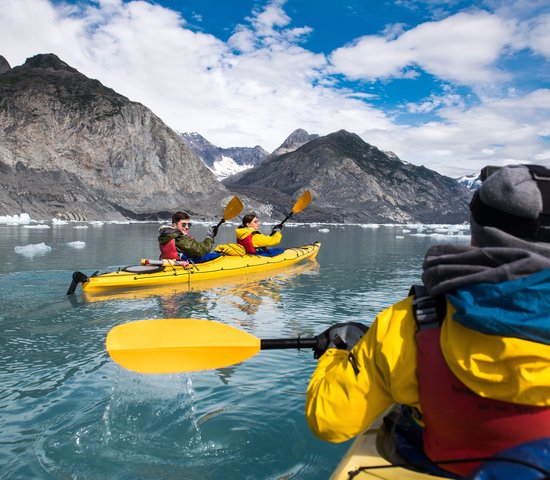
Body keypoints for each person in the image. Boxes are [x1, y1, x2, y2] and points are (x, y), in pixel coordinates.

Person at [306, 165, 550, 478]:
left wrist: (338, 350)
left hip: (434, 461)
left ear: (475, 228)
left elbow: (329, 421)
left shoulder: (408, 321)